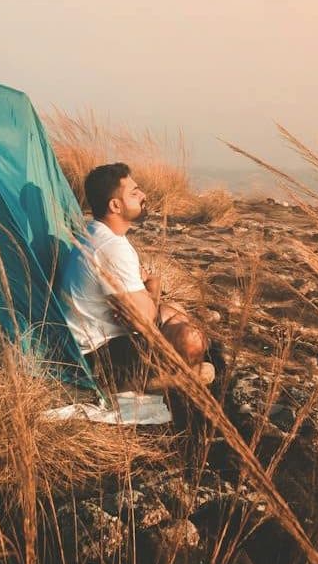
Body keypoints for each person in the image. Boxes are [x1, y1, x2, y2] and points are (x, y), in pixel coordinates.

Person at [61, 162, 214, 394]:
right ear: (115, 205)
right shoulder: (111, 247)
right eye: (134, 193)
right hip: (99, 357)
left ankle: (184, 365)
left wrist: (144, 299)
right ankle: (167, 381)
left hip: (97, 341)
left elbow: (142, 315)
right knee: (192, 342)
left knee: (174, 310)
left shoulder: (99, 233)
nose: (143, 195)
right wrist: (152, 288)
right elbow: (145, 319)